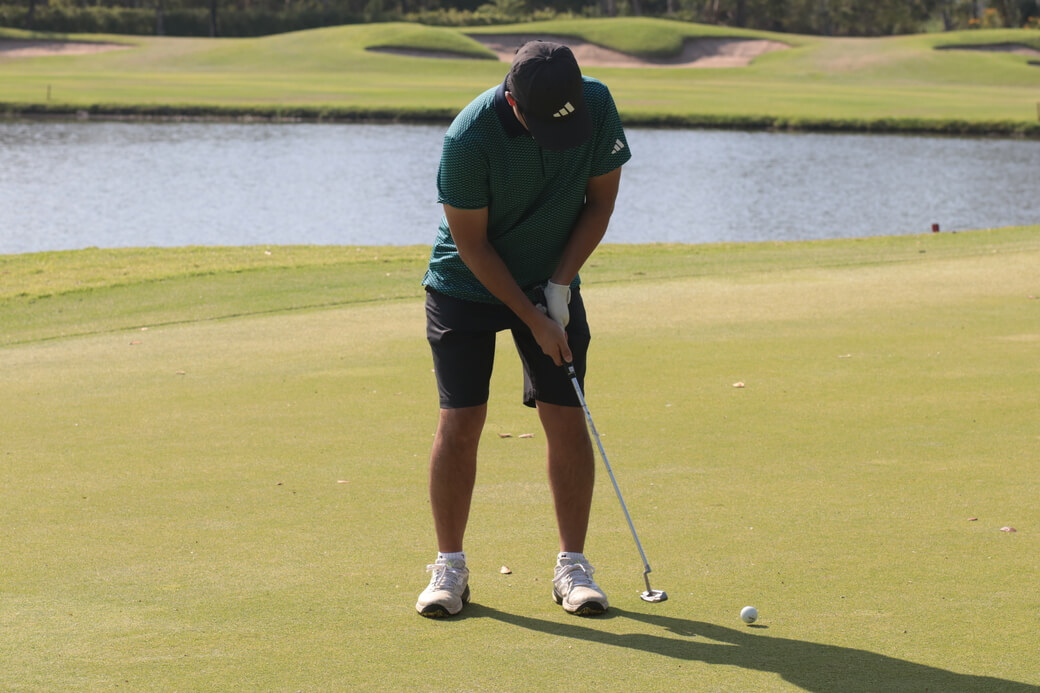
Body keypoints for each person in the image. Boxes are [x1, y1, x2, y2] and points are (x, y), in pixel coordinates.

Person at [416, 40, 631, 618]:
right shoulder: (468, 139)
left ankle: (573, 567)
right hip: (466, 283)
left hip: (549, 276)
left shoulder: (595, 104)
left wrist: (558, 286)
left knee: (566, 416)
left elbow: (600, 204)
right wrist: (532, 317)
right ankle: (450, 568)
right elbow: (472, 244)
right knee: (461, 420)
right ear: (514, 103)